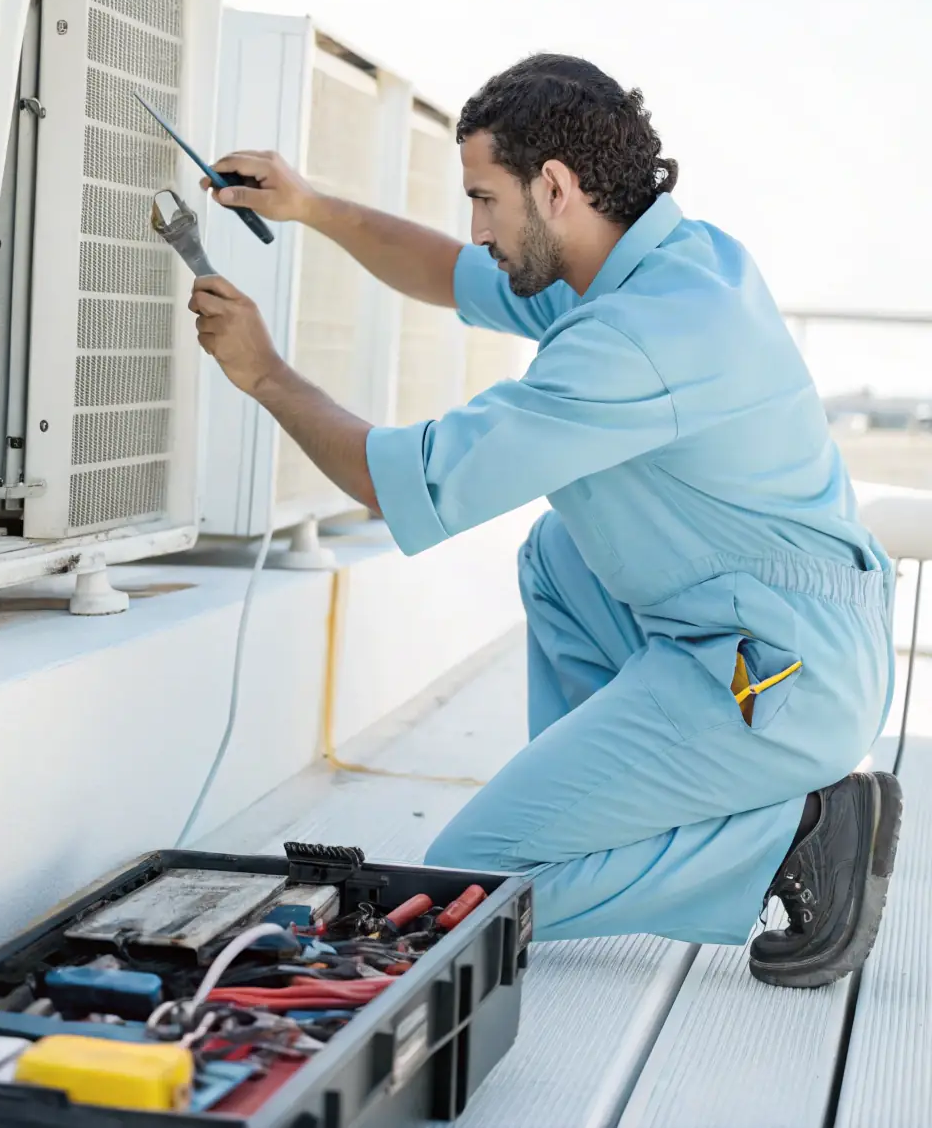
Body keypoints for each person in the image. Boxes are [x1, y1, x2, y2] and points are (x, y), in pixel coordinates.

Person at [189, 53, 901, 988]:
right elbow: (447, 273)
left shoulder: (634, 340)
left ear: (555, 187)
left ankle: (792, 840)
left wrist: (265, 374)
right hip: (770, 633)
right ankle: (605, 809)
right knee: (559, 553)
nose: (475, 226)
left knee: (464, 887)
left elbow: (399, 481)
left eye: (485, 198)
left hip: (778, 676)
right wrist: (311, 204)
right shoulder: (663, 260)